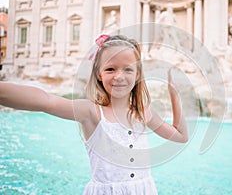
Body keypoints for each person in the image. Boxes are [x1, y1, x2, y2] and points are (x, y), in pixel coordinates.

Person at [0, 34, 188, 194]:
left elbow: (180, 136)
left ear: (138, 74)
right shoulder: (92, 112)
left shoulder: (143, 113)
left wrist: (175, 94)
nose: (119, 76)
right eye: (110, 69)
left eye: (128, 69)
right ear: (99, 74)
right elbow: (46, 101)